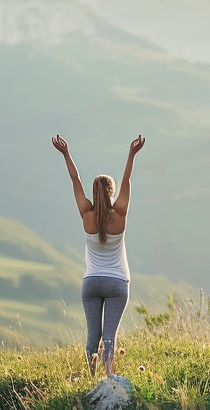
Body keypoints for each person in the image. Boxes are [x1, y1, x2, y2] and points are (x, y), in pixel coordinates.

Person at [52, 133, 145, 377]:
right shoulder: (121, 214)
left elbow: (75, 178)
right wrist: (132, 154)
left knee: (92, 337)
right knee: (109, 337)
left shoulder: (86, 214)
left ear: (94, 192)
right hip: (116, 283)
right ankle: (109, 378)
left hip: (91, 282)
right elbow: (128, 179)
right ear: (112, 192)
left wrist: (65, 153)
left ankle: (91, 378)